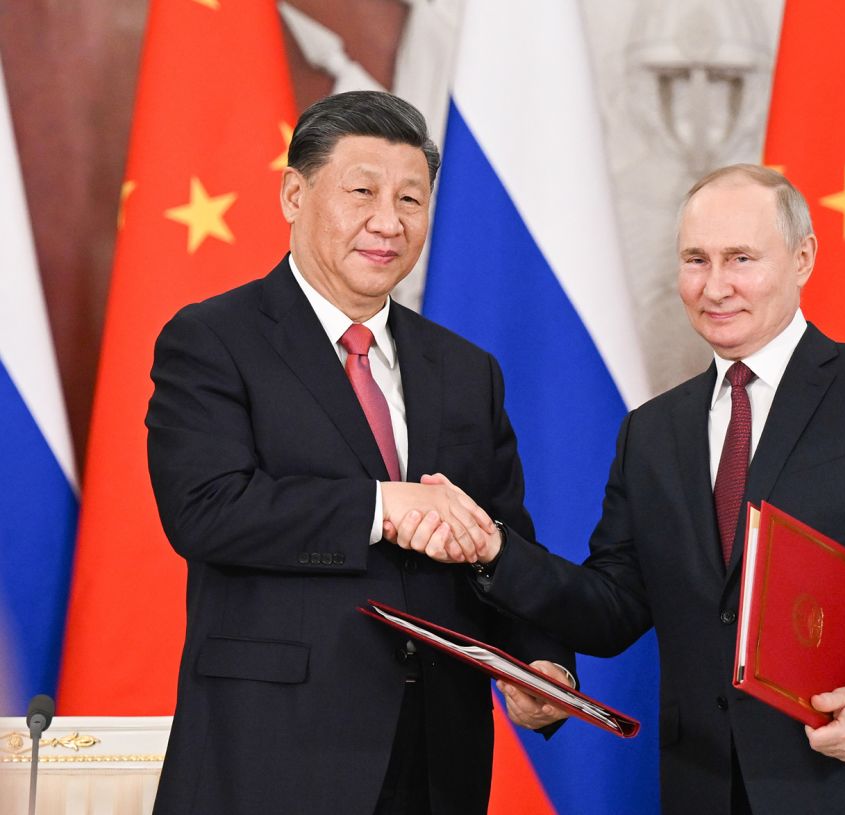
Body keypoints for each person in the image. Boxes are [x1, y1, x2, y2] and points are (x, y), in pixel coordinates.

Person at [397, 165, 845, 813]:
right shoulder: (652, 431)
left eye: (741, 258)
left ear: (803, 258)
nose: (715, 286)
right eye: (696, 259)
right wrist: (494, 548)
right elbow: (611, 606)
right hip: (705, 788)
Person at [146, 90, 573, 815]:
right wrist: (383, 505)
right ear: (294, 194)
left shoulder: (466, 368)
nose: (388, 221)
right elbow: (205, 509)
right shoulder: (213, 339)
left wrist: (539, 658)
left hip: (438, 755)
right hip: (271, 754)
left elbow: (501, 539)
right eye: (363, 191)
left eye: (412, 198)